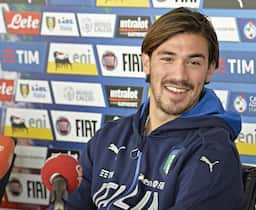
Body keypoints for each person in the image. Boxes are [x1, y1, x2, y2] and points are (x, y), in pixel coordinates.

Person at [65, 7, 244, 210]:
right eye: (167, 58)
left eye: (193, 62)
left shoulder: (212, 152)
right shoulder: (109, 137)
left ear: (210, 70)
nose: (179, 76)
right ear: (147, 62)